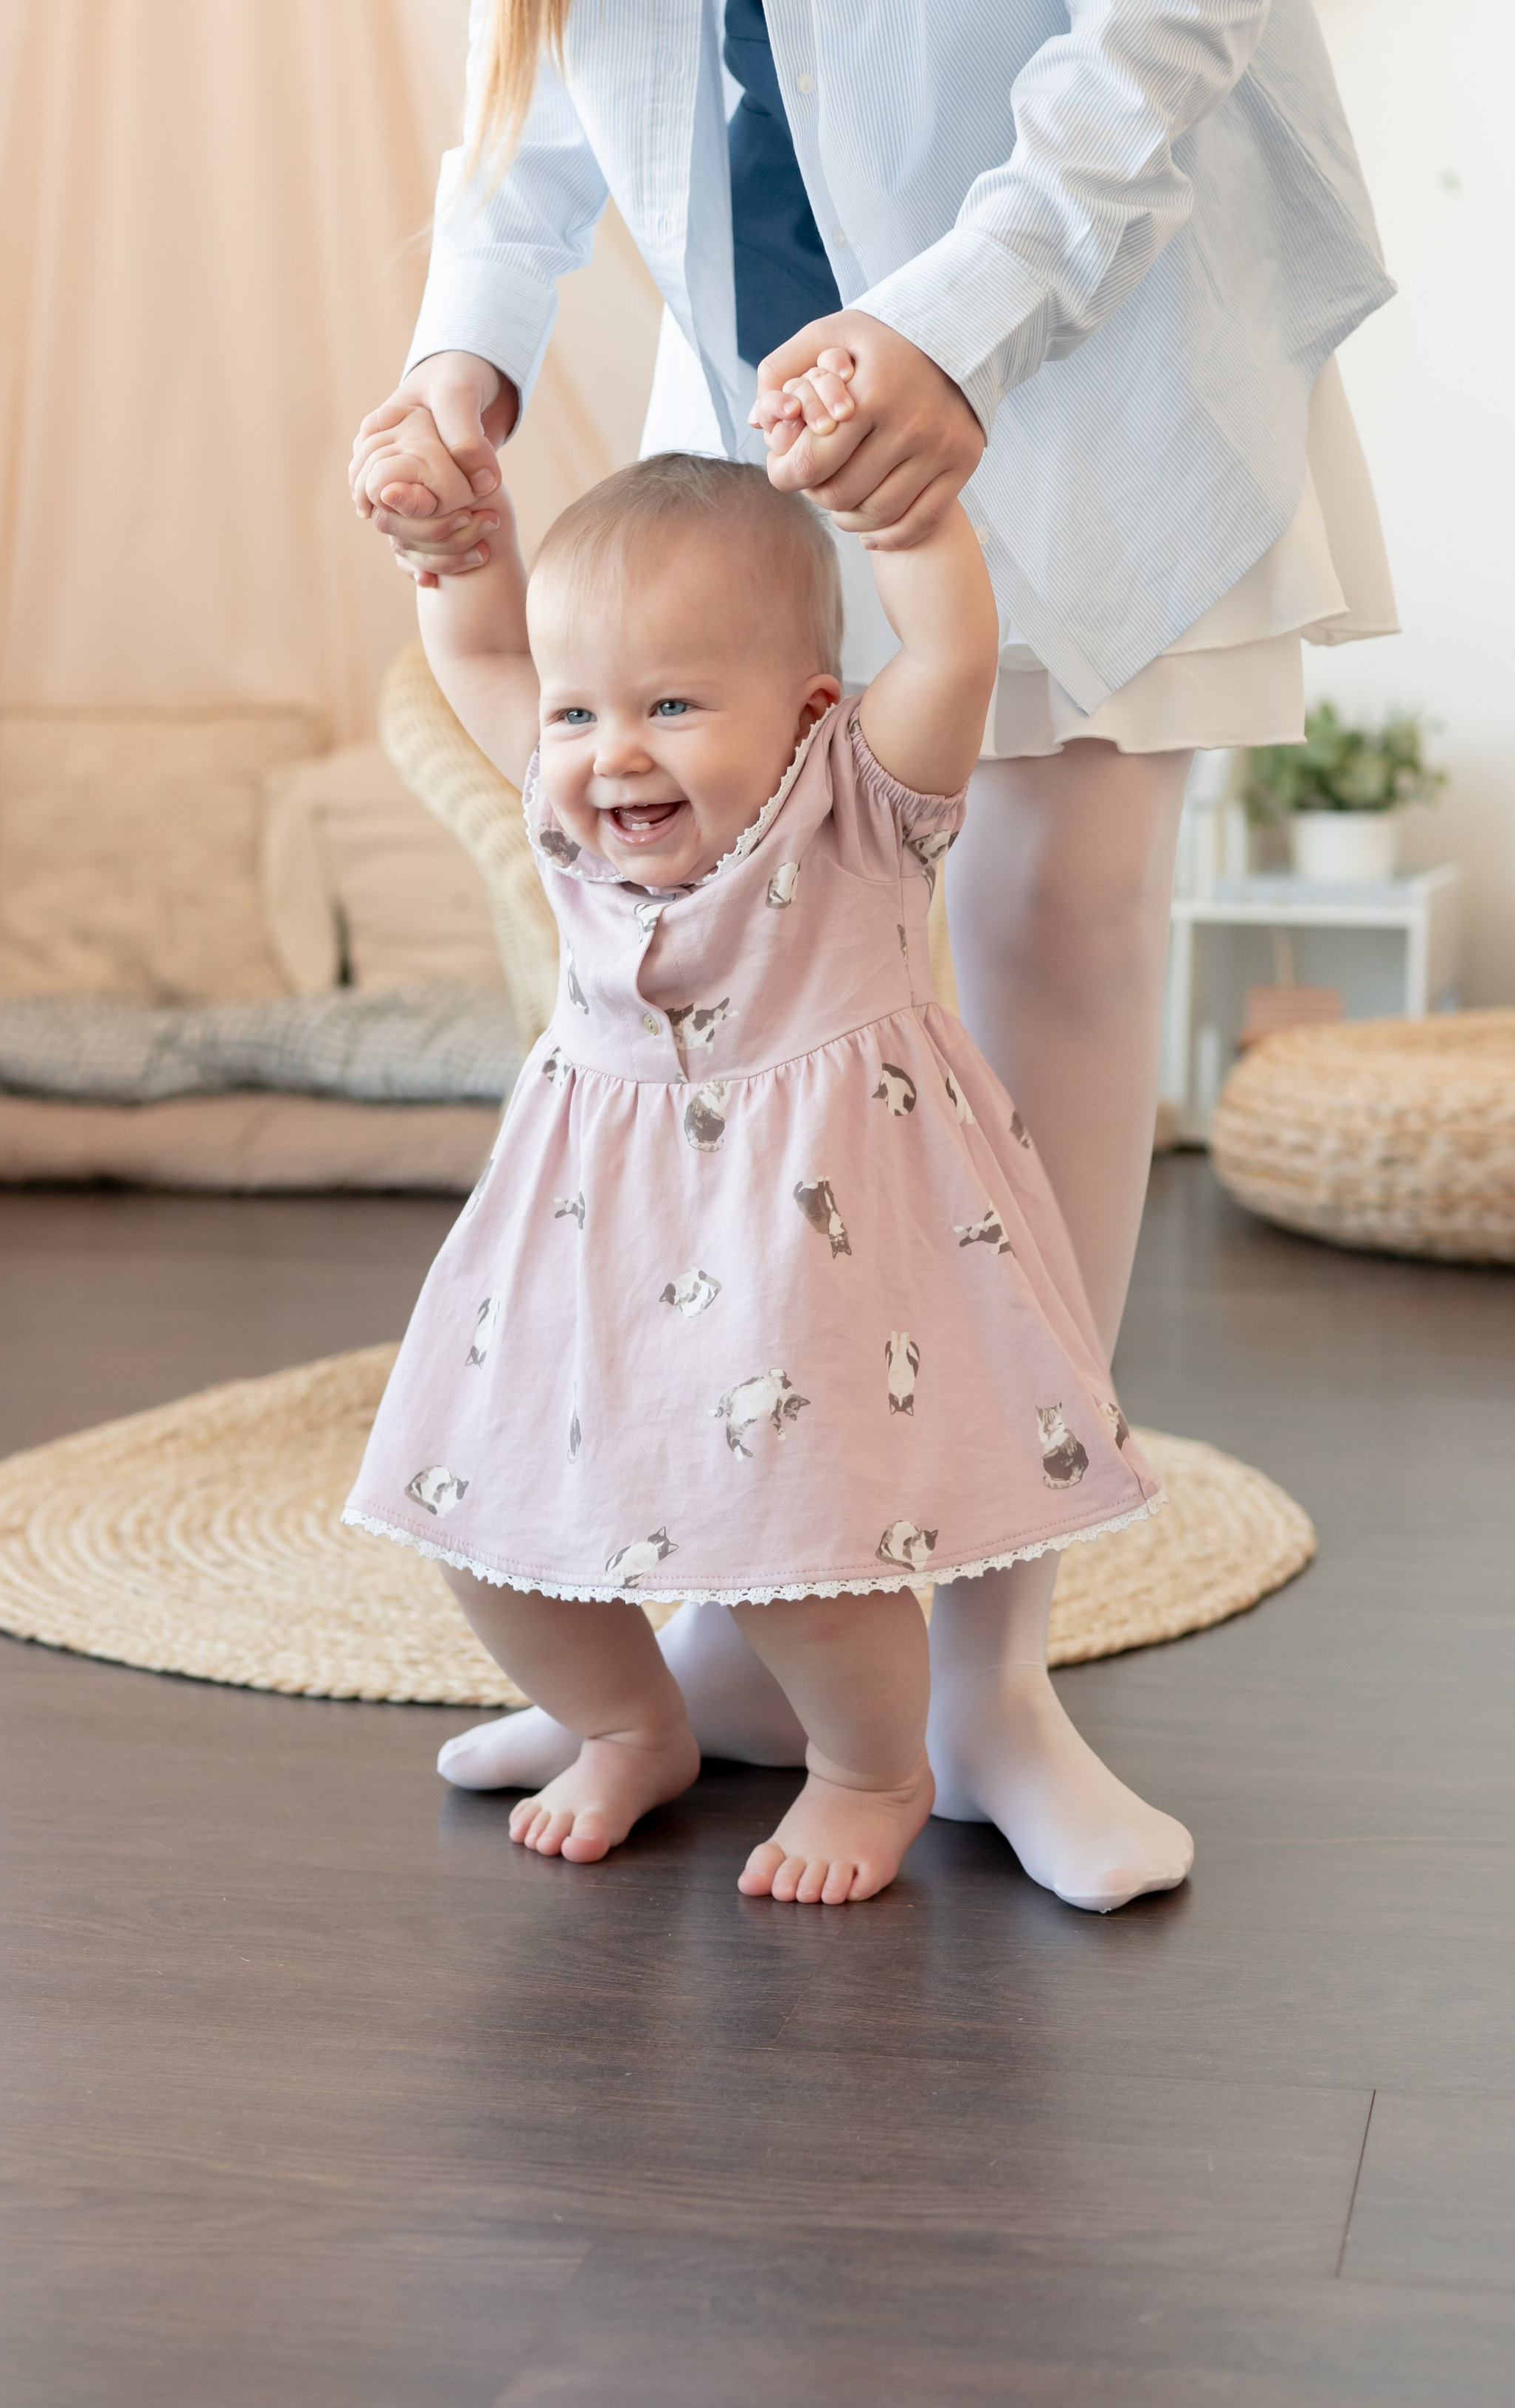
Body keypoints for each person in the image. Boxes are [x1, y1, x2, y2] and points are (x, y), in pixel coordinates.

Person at [350, 0, 1396, 1911]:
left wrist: (965, 317)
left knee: (1042, 937)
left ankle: (987, 1674)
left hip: (1085, 288)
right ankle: (736, 1599)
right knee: (754, 1011)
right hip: (774, 348)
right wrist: (468, 354)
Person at [341, 432, 1182, 1906]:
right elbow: (478, 640)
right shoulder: (563, 814)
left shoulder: (855, 812)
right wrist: (447, 541)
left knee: (804, 1544)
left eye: (670, 705)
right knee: (470, 1514)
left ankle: (872, 1768)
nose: (614, 754)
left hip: (802, 1261)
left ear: (805, 716)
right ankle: (626, 1722)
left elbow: (950, 651)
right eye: (582, 712)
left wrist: (906, 516)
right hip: (580, 1254)